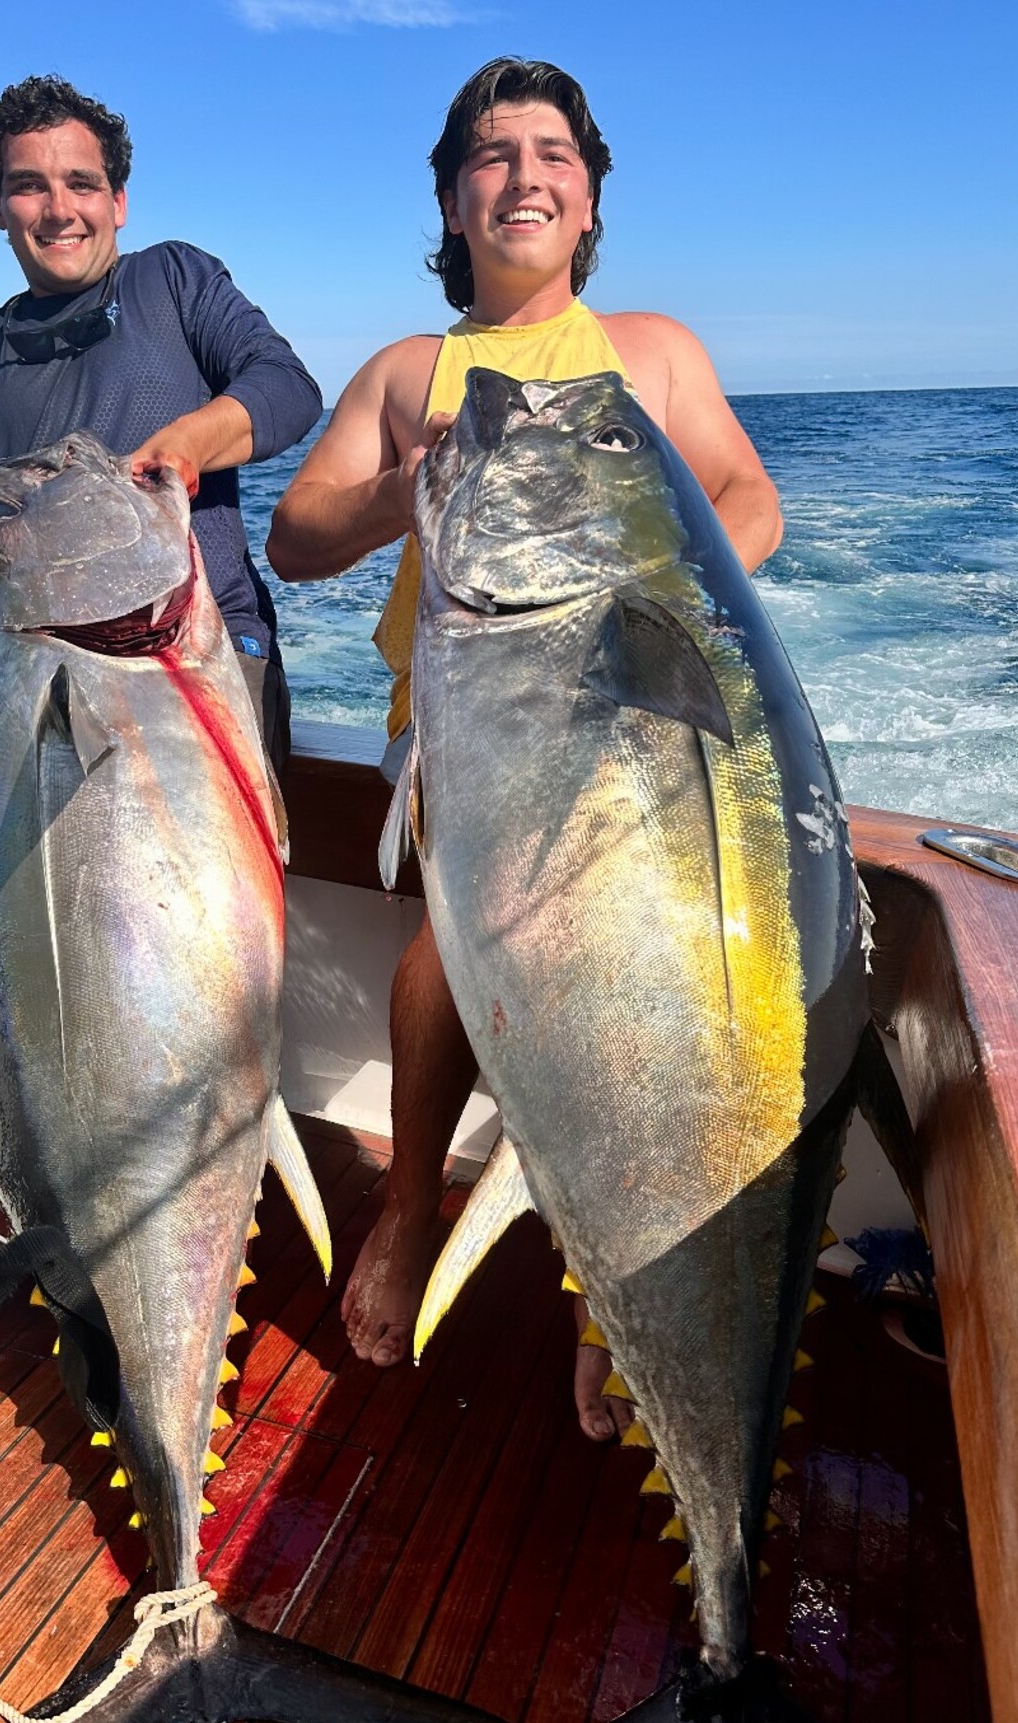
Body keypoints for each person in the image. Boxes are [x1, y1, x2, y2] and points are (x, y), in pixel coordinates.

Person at [267, 56, 783, 1439]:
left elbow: (750, 499)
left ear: (591, 193)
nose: (524, 176)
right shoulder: (408, 371)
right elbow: (295, 539)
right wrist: (404, 481)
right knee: (457, 939)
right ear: (449, 199)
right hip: (456, 724)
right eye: (492, 156)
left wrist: (659, 585)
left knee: (629, 971)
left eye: (553, 153)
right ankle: (415, 1205)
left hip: (629, 724)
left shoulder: (656, 354)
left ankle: (598, 1277)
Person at [0, 74, 322, 776]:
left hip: (200, 661)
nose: (58, 209)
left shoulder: (174, 280)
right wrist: (1, 542)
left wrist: (191, 441)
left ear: (119, 201)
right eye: (29, 186)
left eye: (81, 183)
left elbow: (287, 387)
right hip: (36, 685)